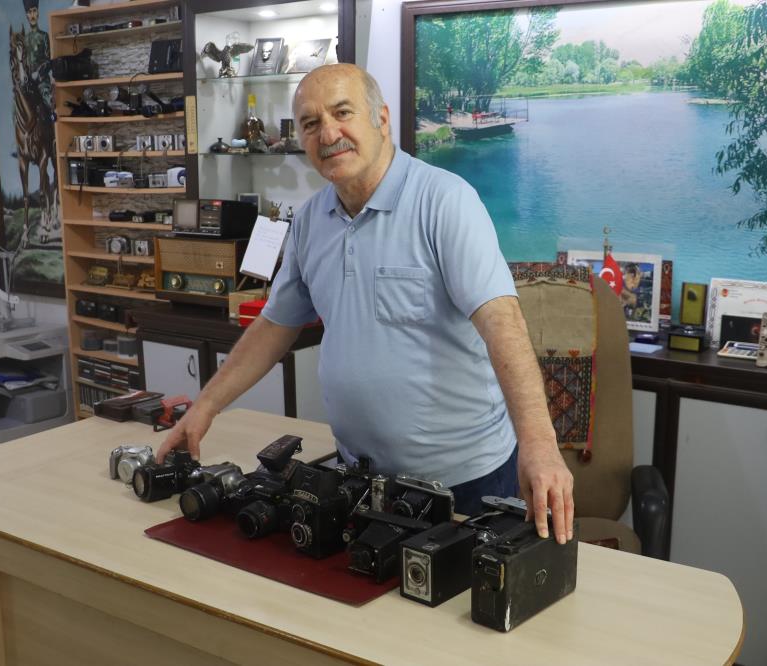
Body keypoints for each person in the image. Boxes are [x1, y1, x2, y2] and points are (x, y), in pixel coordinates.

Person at [156, 64, 574, 542]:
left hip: (464, 485)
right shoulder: (310, 221)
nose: (328, 134)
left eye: (342, 113)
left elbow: (503, 322)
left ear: (381, 119)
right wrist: (205, 408)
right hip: (359, 479)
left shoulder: (445, 201)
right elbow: (274, 326)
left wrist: (539, 445)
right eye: (310, 123)